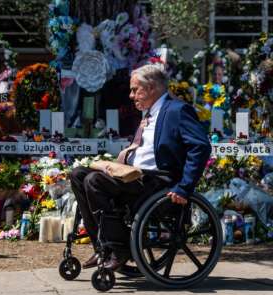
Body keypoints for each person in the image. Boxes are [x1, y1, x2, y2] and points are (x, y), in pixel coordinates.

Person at [69, 64, 211, 271]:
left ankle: (119, 248)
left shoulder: (177, 110)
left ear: (152, 87)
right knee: (78, 175)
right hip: (135, 178)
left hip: (157, 182)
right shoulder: (150, 113)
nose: (131, 95)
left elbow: (200, 147)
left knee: (94, 181)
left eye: (135, 89)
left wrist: (184, 187)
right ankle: (102, 247)